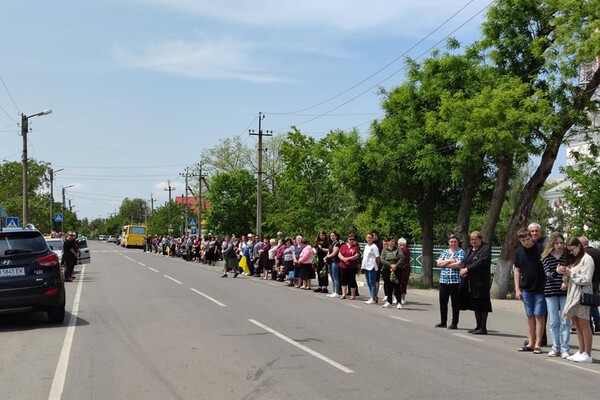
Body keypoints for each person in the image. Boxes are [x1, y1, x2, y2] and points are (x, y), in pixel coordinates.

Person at [560, 237, 595, 363]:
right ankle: (581, 351)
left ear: (579, 246)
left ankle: (588, 354)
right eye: (569, 250)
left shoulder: (587, 259)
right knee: (577, 324)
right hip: (573, 295)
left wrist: (572, 273)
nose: (571, 252)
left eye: (572, 249)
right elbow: (571, 277)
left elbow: (586, 279)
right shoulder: (575, 260)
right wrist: (564, 274)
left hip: (582, 296)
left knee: (584, 324)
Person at [514, 228, 546, 353]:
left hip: (540, 287)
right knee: (530, 315)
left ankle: (538, 343)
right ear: (520, 240)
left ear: (531, 237)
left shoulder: (540, 248)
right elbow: (517, 269)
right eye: (523, 240)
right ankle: (531, 342)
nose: (526, 242)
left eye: (528, 239)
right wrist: (517, 289)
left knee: (539, 314)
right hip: (526, 288)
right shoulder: (519, 251)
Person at [541, 232, 570, 358]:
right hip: (551, 291)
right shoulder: (546, 257)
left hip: (565, 292)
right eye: (557, 243)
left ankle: (565, 348)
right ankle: (555, 347)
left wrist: (566, 280)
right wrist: (556, 271)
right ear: (552, 243)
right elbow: (548, 275)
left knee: (565, 321)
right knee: (554, 321)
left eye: (561, 243)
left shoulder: (567, 256)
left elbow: (572, 271)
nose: (559, 245)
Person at [459, 231, 492, 335]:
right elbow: (464, 261)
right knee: (475, 304)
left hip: (481, 282)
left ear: (480, 239)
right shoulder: (469, 249)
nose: (473, 241)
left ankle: (483, 327)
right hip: (471, 282)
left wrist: (467, 269)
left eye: (475, 239)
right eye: (471, 239)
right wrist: (462, 269)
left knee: (482, 303)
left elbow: (481, 262)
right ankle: (478, 326)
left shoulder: (485, 249)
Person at [436, 234, 465, 329]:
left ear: (458, 243)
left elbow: (458, 264)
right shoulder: (445, 252)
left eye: (455, 242)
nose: (453, 243)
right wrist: (450, 260)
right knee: (443, 301)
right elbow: (438, 263)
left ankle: (454, 323)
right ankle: (443, 321)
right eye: (451, 242)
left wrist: (445, 263)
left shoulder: (461, 252)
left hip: (455, 281)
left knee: (455, 302)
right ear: (448, 242)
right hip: (444, 280)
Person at [580, 236, 600, 333]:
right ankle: (598, 321)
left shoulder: (583, 254)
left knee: (586, 303)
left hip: (585, 281)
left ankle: (589, 326)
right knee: (593, 303)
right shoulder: (597, 252)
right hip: (596, 281)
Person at [380, 235, 404, 309]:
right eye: (391, 241)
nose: (392, 242)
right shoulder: (384, 250)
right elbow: (383, 260)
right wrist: (390, 265)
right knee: (388, 285)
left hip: (397, 269)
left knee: (397, 285)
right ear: (388, 242)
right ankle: (389, 301)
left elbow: (402, 258)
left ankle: (399, 302)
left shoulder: (398, 249)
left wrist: (395, 265)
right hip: (387, 269)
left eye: (394, 241)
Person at [338, 234, 360, 299]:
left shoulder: (355, 247)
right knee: (343, 280)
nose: (351, 241)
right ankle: (344, 294)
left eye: (353, 239)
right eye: (350, 239)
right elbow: (339, 254)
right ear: (347, 240)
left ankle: (353, 295)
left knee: (352, 280)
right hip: (343, 265)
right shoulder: (343, 246)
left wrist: (348, 259)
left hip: (352, 266)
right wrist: (344, 259)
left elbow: (356, 255)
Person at [362, 232, 381, 304]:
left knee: (372, 282)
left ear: (373, 239)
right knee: (369, 282)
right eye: (367, 237)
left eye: (370, 238)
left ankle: (373, 298)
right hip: (366, 266)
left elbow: (377, 257)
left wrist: (377, 265)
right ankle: (373, 296)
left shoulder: (374, 246)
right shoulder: (366, 246)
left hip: (372, 266)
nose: (369, 239)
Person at [324, 232, 342, 298]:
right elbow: (329, 252)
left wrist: (327, 257)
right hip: (330, 262)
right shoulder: (331, 244)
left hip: (335, 261)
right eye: (331, 236)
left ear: (336, 236)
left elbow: (334, 253)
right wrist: (326, 257)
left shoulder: (337, 244)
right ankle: (333, 291)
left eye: (333, 236)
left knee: (335, 277)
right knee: (332, 277)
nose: (332, 237)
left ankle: (336, 291)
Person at [398, 238, 411, 305]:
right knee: (404, 283)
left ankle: (400, 298)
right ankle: (403, 298)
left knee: (399, 282)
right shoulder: (407, 249)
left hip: (401, 267)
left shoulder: (401, 250)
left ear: (399, 243)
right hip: (407, 267)